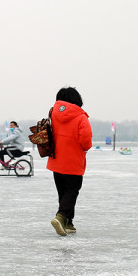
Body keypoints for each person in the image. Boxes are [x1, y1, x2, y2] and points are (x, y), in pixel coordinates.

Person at [47, 87, 93, 236]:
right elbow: (86, 141)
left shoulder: (52, 114)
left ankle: (68, 222)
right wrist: (85, 148)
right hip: (73, 161)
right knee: (71, 191)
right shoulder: (81, 117)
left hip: (56, 160)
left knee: (63, 193)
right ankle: (60, 217)